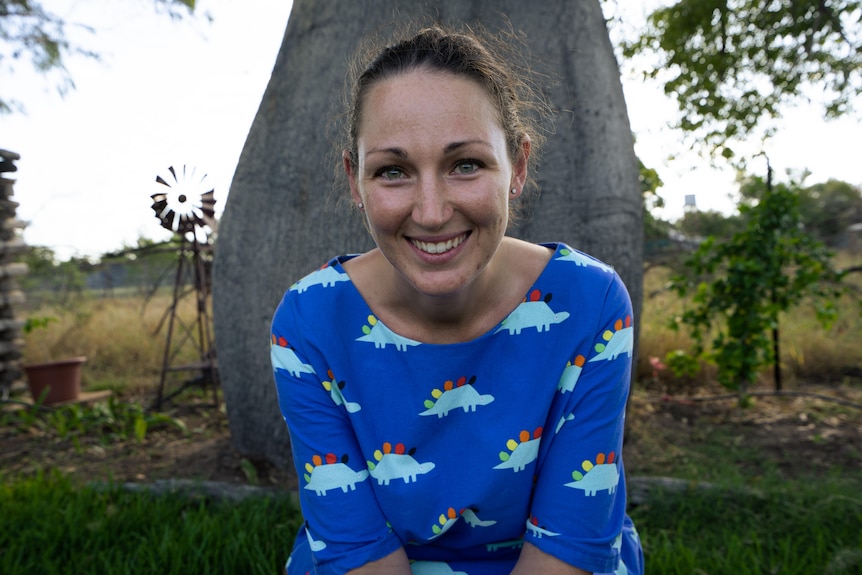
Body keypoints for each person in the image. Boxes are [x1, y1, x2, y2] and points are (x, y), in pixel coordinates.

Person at [271, 23, 644, 575]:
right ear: (356, 181)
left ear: (516, 166)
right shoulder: (309, 322)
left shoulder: (591, 304)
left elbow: (569, 546)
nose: (430, 212)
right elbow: (357, 552)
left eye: (465, 164)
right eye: (393, 171)